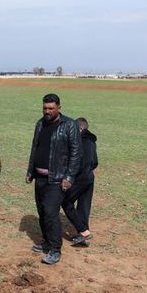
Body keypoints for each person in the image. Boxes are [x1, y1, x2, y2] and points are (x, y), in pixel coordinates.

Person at [25, 93, 81, 264]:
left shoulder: (69, 125)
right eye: (45, 108)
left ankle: (55, 249)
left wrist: (69, 177)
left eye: (51, 108)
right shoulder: (40, 124)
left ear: (59, 108)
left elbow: (76, 153)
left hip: (57, 179)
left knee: (50, 212)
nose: (47, 111)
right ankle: (47, 243)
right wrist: (30, 171)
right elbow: (35, 148)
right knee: (42, 212)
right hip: (40, 178)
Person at [62, 117, 98, 246]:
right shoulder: (91, 142)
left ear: (81, 129)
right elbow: (95, 162)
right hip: (89, 177)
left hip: (79, 178)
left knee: (65, 202)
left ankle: (83, 231)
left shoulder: (78, 142)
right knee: (84, 206)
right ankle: (83, 233)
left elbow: (75, 163)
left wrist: (69, 177)